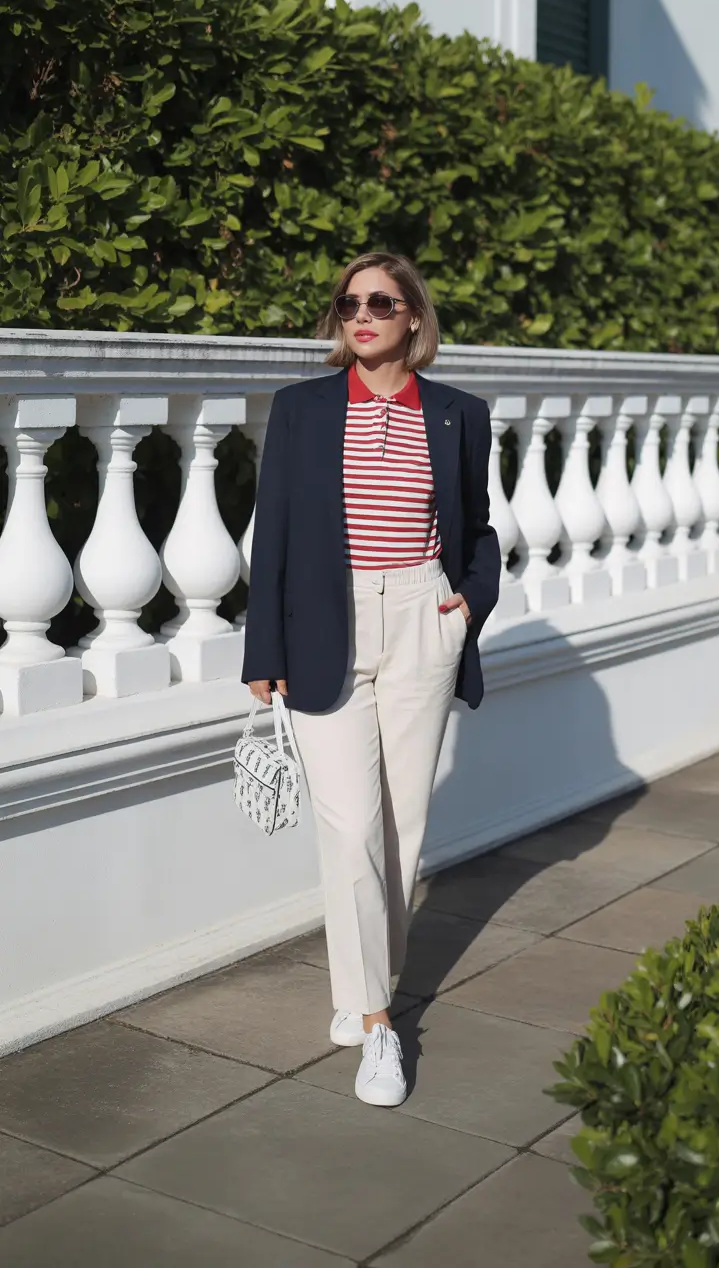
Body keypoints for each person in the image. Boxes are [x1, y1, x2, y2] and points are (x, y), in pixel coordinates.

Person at [243, 251, 501, 1107]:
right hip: (328, 625)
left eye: (382, 302)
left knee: (403, 828)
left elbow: (477, 530)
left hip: (423, 619)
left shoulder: (460, 415)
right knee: (352, 827)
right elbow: (271, 534)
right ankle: (380, 1023)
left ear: (414, 320)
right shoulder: (303, 410)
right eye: (349, 302)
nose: (362, 314)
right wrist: (262, 654)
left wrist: (466, 607)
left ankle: (360, 996)